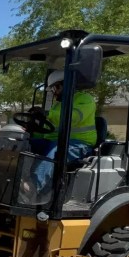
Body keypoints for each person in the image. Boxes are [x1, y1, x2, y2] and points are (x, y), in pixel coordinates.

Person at [24, 70, 97, 200]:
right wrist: (30, 132)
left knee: (57, 152)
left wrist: (46, 114)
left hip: (79, 144)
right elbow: (50, 129)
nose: (53, 92)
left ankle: (32, 188)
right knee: (24, 144)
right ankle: (14, 180)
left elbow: (72, 117)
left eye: (54, 88)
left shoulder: (85, 100)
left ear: (64, 85)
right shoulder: (58, 105)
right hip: (55, 141)